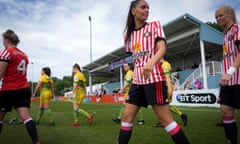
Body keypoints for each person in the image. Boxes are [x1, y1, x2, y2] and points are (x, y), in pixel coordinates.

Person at [117, 1, 189, 144]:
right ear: (133, 11)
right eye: (143, 7)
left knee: (166, 120)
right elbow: (135, 57)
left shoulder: (154, 26)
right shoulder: (127, 36)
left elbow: (162, 49)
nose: (147, 10)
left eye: (148, 7)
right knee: (126, 117)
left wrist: (150, 63)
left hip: (154, 80)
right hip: (137, 83)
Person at [0, 29, 40, 144]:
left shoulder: (5, 52)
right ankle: (36, 142)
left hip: (9, 90)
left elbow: (0, 74)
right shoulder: (24, 55)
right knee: (26, 117)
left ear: (7, 40)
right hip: (23, 89)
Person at [215, 5, 240, 144]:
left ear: (230, 14)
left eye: (220, 16)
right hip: (228, 82)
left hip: (238, 80)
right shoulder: (225, 36)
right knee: (225, 111)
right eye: (216, 17)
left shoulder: (237, 29)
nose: (218, 19)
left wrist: (230, 72)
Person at [160, 59, 187, 126]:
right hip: (169, 85)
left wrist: (168, 87)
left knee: (163, 104)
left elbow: (167, 77)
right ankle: (181, 115)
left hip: (167, 86)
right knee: (165, 104)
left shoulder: (165, 65)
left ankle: (165, 121)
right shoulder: (167, 64)